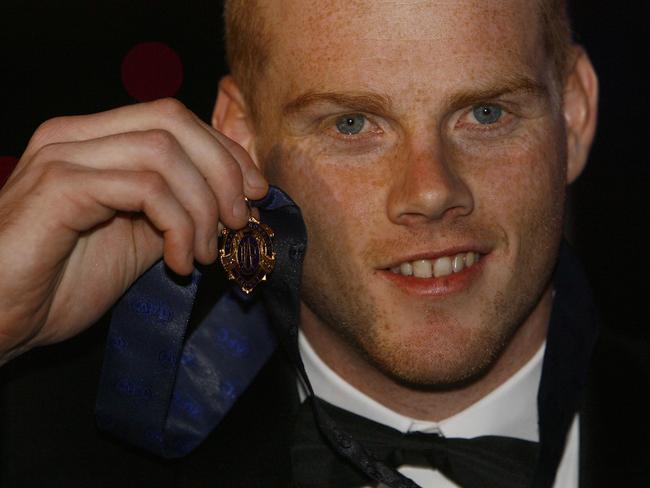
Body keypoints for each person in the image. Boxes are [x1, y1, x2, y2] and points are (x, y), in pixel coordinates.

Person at [0, 0, 647, 487]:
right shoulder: (44, 443)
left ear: (574, 112)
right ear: (242, 140)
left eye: (485, 113)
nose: (429, 190)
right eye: (352, 123)